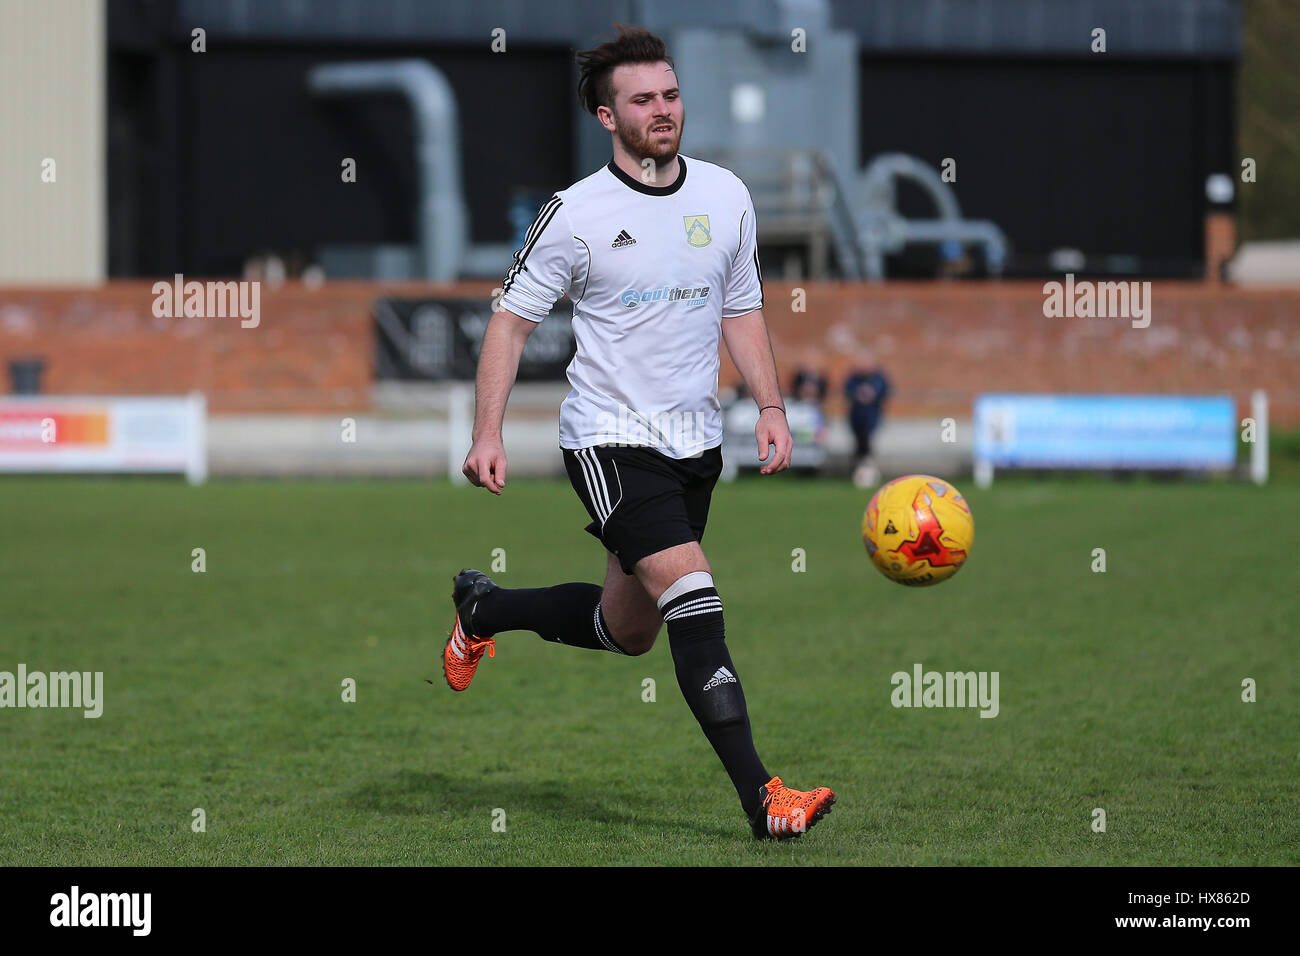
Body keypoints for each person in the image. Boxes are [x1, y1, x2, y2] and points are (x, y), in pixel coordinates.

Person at [448, 25, 835, 841]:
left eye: (670, 94)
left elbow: (742, 309)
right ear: (606, 115)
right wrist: (488, 432)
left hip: (697, 446)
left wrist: (769, 405)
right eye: (641, 100)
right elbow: (509, 327)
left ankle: (483, 610)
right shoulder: (574, 215)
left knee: (628, 631)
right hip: (610, 441)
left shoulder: (727, 194)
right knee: (696, 597)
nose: (662, 111)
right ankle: (764, 799)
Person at [844, 349, 890, 488]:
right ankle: (858, 473)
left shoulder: (879, 378)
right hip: (856, 419)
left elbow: (885, 392)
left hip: (871, 419)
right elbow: (848, 391)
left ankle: (869, 474)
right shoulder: (853, 378)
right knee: (858, 447)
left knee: (868, 447)